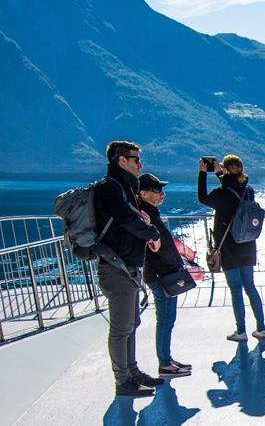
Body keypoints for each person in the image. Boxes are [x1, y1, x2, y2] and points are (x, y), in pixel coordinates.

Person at [93, 141, 169, 397]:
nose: (140, 163)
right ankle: (122, 380)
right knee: (121, 328)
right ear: (120, 160)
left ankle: (132, 372)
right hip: (116, 269)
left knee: (131, 323)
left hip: (128, 268)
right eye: (135, 159)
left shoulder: (123, 186)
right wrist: (152, 232)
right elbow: (127, 220)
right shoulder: (111, 188)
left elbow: (130, 218)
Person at [199, 155, 265, 342]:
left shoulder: (221, 194)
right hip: (247, 245)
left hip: (228, 247)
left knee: (236, 290)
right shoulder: (248, 191)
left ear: (226, 170)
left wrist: (203, 173)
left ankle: (241, 331)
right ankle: (261, 328)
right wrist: (222, 173)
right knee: (250, 288)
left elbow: (202, 197)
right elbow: (233, 187)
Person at [137, 172, 194, 378]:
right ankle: (164, 363)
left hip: (166, 273)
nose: (162, 193)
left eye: (162, 190)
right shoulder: (144, 215)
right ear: (143, 193)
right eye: (156, 190)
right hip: (160, 276)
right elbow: (153, 246)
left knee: (168, 320)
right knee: (165, 320)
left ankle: (167, 359)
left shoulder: (151, 212)